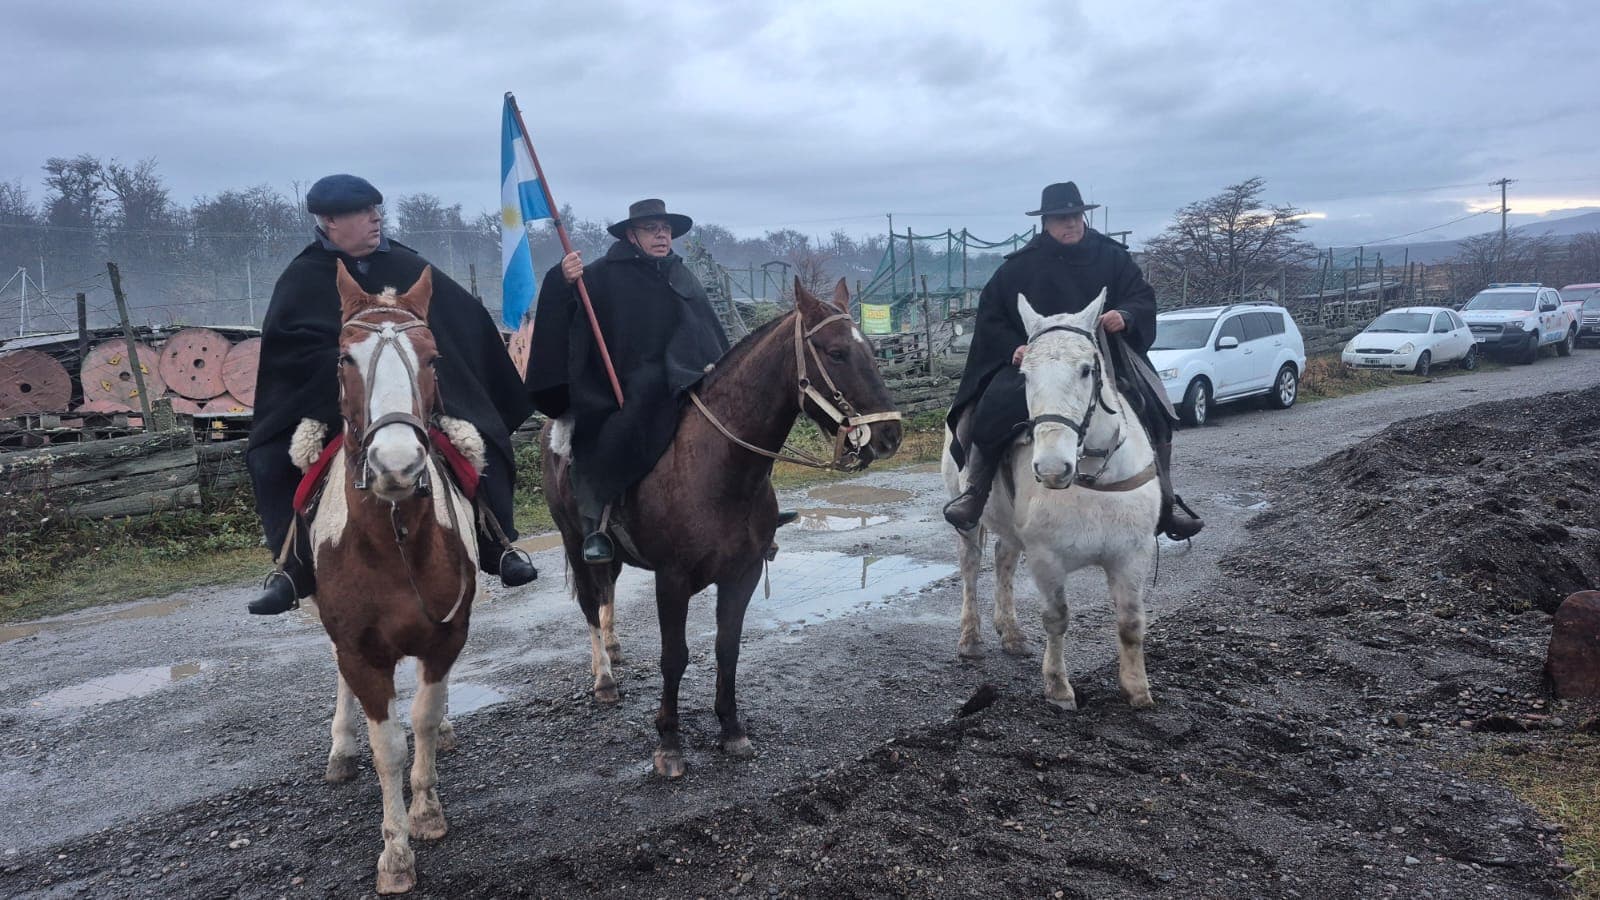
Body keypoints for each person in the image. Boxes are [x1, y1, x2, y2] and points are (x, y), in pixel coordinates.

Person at [245, 174, 538, 615]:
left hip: (418, 401)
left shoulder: (408, 267)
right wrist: (350, 377)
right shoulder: (302, 277)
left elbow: (465, 321)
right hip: (333, 403)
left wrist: (428, 377)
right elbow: (289, 352)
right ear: (328, 220)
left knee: (480, 437)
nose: (375, 218)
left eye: (376, 210)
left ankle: (494, 539)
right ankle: (293, 565)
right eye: (362, 213)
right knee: (272, 456)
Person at [943, 181, 1204, 540]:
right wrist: (1012, 349)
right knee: (989, 410)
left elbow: (1141, 296)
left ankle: (1166, 501)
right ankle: (976, 493)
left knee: (1155, 407)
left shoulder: (1111, 256)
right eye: (1061, 218)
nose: (1071, 224)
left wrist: (1126, 315)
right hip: (1037, 361)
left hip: (1104, 355)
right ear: (1045, 222)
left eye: (1076, 216)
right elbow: (991, 317)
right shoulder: (1019, 267)